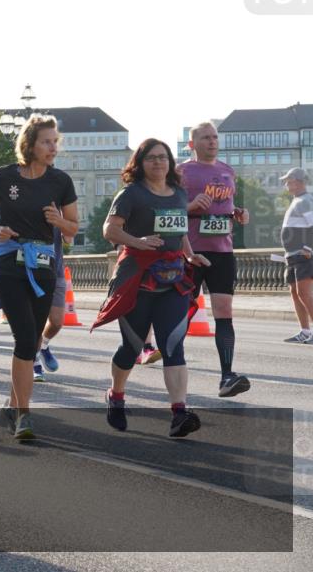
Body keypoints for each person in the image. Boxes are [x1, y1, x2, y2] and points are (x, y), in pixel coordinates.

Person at [95, 138, 210, 438]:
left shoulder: (179, 193)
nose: (158, 162)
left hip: (173, 280)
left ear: (170, 162)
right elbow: (109, 230)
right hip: (137, 278)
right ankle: (116, 396)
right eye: (151, 158)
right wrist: (138, 241)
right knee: (132, 348)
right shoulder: (131, 193)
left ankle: (179, 413)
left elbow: (180, 231)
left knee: (173, 346)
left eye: (163, 157)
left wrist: (189, 255)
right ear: (140, 163)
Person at [0, 115, 78, 440]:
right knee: (24, 337)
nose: (53, 147)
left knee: (31, 341)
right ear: (30, 144)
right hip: (7, 263)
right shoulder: (4, 175)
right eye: (47, 141)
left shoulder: (61, 181)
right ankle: (23, 415)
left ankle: (11, 406)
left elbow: (74, 228)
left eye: (55, 142)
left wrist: (59, 221)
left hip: (44, 264)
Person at [177, 121, 251, 397]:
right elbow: (167, 211)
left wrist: (238, 213)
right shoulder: (181, 172)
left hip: (223, 251)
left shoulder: (227, 171)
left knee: (224, 310)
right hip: (191, 251)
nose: (212, 142)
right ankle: (174, 365)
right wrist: (190, 206)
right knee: (182, 312)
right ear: (192, 144)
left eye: (215, 137)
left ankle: (227, 376)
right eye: (206, 138)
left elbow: (225, 206)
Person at [279, 168, 313, 342]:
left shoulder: (306, 201)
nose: (286, 184)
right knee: (295, 293)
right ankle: (305, 332)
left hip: (303, 256)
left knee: (304, 293)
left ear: (299, 182)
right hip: (292, 255)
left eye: (289, 180)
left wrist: (308, 248)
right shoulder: (297, 200)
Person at [33, 229, 68, 381]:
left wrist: (62, 222)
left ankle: (43, 346)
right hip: (29, 271)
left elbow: (69, 238)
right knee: (35, 322)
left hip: (55, 271)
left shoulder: (58, 215)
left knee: (57, 322)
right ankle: (34, 362)